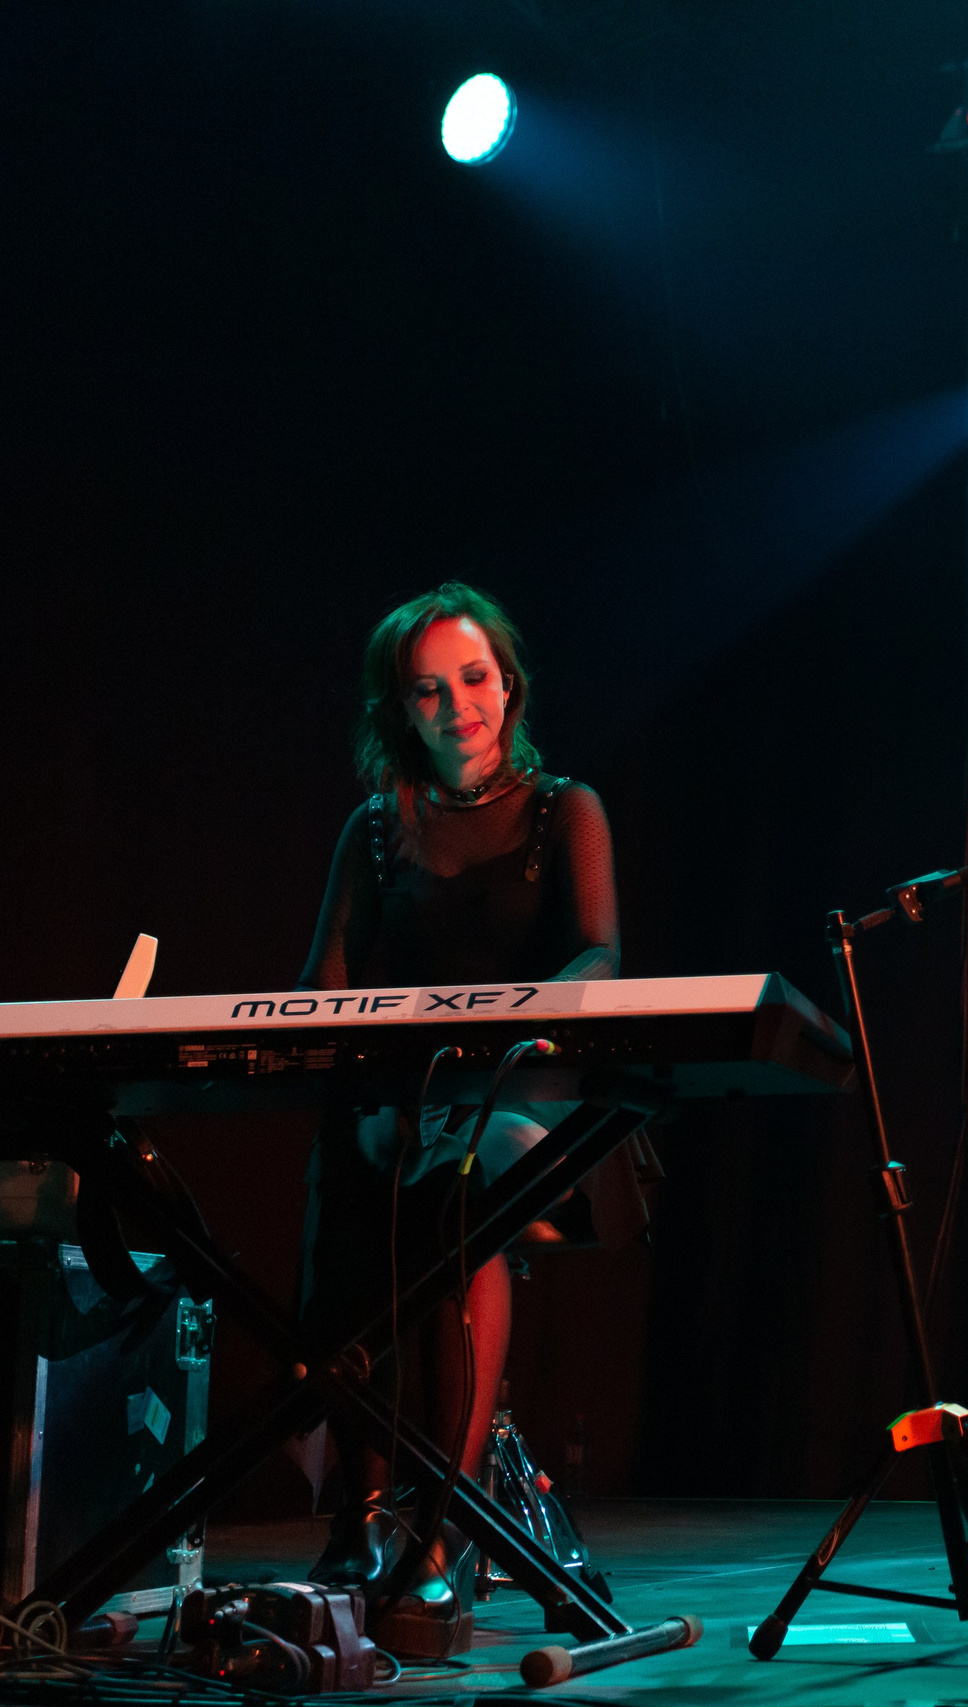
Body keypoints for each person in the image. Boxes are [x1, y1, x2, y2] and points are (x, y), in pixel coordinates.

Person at [294, 582, 619, 1651]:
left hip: (517, 1096)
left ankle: (444, 1527)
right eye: (430, 690)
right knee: (347, 1186)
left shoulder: (565, 808)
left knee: (458, 1197)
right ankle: (356, 1514)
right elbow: (325, 983)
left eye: (473, 680)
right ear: (404, 709)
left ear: (508, 682)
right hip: (407, 1096)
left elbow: (597, 957)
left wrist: (493, 1050)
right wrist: (374, 1101)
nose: (458, 707)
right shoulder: (378, 827)